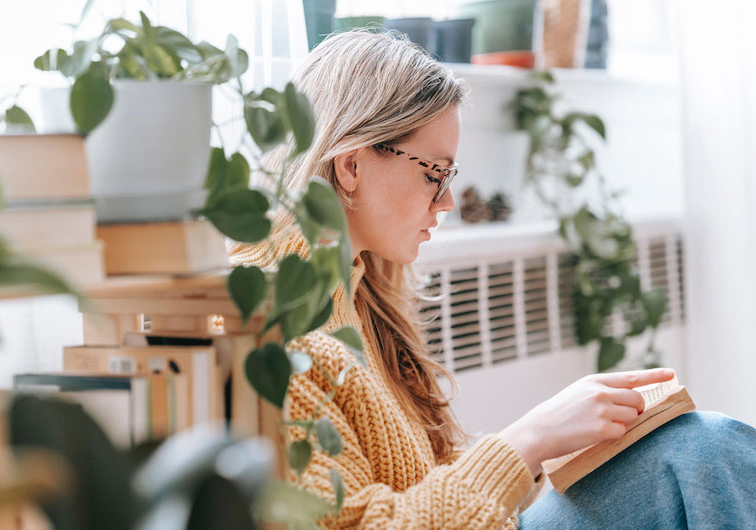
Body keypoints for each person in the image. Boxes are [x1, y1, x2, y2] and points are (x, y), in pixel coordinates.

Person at [231, 29, 756, 529]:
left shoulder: (359, 293)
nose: (449, 201)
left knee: (700, 448)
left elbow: (428, 481)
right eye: (434, 174)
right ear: (349, 167)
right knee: (703, 452)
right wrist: (528, 438)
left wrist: (551, 441)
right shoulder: (277, 327)